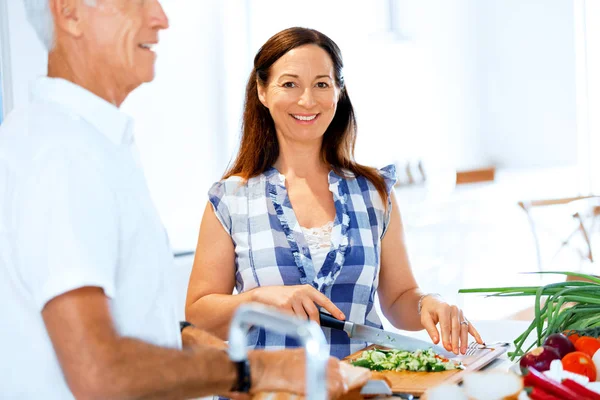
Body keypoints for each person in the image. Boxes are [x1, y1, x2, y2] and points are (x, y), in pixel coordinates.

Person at [0, 2, 346, 399]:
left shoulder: (82, 142)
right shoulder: (60, 152)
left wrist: (203, 349)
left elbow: (133, 324)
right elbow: (97, 371)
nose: (161, 18)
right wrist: (258, 369)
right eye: (138, 2)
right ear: (70, 12)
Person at [186, 27, 484, 360]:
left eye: (321, 84)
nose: (307, 100)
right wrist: (259, 298)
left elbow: (399, 298)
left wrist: (429, 303)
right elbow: (200, 314)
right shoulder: (231, 199)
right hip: (270, 390)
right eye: (289, 84)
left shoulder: (374, 193)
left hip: (361, 387)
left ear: (338, 92)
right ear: (262, 91)